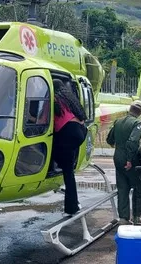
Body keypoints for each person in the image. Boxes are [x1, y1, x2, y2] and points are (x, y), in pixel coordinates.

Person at [52, 78, 88, 216]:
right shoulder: (70, 99)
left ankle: (72, 207)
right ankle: (72, 205)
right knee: (68, 170)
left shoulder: (55, 100)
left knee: (57, 158)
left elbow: (44, 119)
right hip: (80, 131)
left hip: (68, 132)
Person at [106, 100, 141, 225]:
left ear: (130, 109)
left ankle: (123, 217)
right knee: (138, 188)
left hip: (117, 157)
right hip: (131, 159)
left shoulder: (118, 121)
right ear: (140, 113)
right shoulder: (137, 123)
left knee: (122, 188)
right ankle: (136, 216)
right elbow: (132, 142)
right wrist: (129, 159)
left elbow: (109, 139)